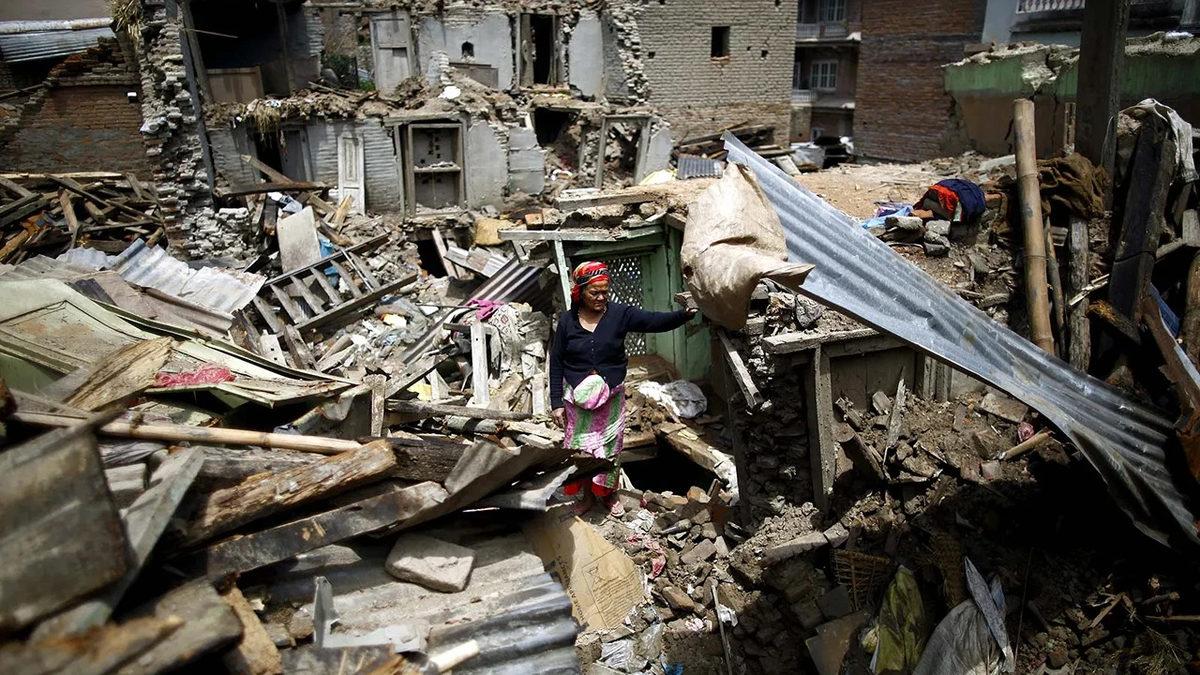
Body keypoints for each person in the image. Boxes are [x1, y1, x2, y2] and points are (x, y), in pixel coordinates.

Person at [549, 260, 696, 515]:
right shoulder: (567, 322)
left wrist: (685, 315)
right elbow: (557, 363)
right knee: (581, 450)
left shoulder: (619, 314)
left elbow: (654, 321)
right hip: (578, 402)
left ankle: (607, 494)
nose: (601, 297)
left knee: (609, 449)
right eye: (594, 293)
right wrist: (555, 403)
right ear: (580, 292)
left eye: (605, 292)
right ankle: (586, 497)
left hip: (610, 399)